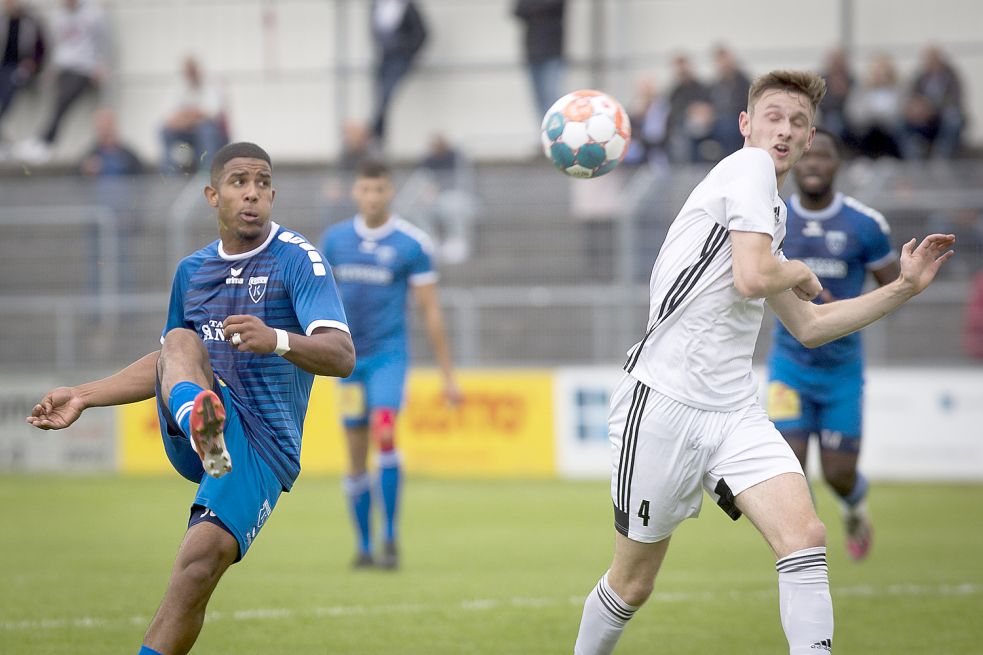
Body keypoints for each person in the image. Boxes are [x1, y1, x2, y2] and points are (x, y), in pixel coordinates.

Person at [572, 70, 955, 655]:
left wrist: (901, 288)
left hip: (732, 413)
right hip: (662, 404)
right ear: (747, 126)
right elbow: (754, 278)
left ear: (809, 140)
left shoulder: (769, 216)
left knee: (805, 536)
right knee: (632, 583)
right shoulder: (743, 170)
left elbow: (810, 326)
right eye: (773, 117)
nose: (785, 130)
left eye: (798, 123)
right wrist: (800, 271)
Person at [28, 142, 356, 655]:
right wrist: (84, 395)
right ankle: (204, 424)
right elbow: (167, 360)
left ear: (273, 194)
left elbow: (341, 354)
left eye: (263, 183)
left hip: (263, 446)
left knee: (196, 567)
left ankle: (210, 429)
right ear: (212, 194)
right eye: (239, 182)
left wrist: (278, 339)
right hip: (202, 430)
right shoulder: (192, 272)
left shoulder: (298, 259)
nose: (252, 193)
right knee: (180, 341)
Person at [320, 159, 461, 569]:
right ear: (355, 192)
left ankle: (391, 536)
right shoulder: (334, 241)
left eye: (379, 189)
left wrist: (448, 376)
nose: (372, 197)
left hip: (387, 356)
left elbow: (431, 312)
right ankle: (363, 546)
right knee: (353, 451)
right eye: (365, 189)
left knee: (384, 430)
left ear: (390, 192)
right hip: (347, 363)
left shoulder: (411, 244)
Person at [765, 127, 899, 563]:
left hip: (842, 371)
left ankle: (854, 507)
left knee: (839, 473)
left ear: (837, 164)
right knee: (790, 465)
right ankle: (806, 545)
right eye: (808, 156)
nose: (814, 164)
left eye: (824, 156)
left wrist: (851, 307)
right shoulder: (774, 216)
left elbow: (895, 288)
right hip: (789, 364)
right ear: (796, 160)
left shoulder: (865, 224)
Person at [16, 0, 108, 165]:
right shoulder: (58, 15)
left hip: (84, 68)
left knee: (62, 101)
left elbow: (103, 42)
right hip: (65, 67)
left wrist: (99, 66)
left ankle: (45, 142)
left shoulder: (93, 13)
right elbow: (59, 45)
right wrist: (53, 68)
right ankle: (43, 141)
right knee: (58, 103)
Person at [370, 0, 427, 144]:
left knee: (387, 93)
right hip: (385, 56)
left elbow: (421, 33)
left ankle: (376, 132)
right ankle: (378, 133)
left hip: (401, 57)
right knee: (380, 95)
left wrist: (407, 50)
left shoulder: (407, 7)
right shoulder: (377, 6)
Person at [160, 55, 228, 174]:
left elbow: (212, 114)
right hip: (183, 132)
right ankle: (170, 173)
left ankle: (207, 172)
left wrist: (186, 117)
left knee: (206, 130)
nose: (191, 74)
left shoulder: (210, 85)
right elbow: (169, 118)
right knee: (164, 131)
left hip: (205, 132)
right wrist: (193, 116)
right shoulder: (178, 87)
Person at [0, 0, 46, 153]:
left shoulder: (30, 23)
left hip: (20, 67)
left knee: (11, 83)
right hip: (3, 67)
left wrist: (33, 63)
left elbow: (40, 49)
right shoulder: (3, 21)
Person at [513, 0, 566, 121]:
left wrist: (533, 8)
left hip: (553, 52)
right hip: (532, 52)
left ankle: (557, 132)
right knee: (539, 98)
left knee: (551, 96)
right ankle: (544, 133)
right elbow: (519, 10)